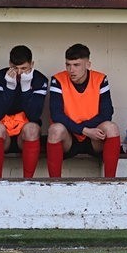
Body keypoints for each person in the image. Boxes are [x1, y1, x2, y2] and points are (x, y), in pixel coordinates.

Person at [47, 44, 120, 178]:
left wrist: (88, 130)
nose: (71, 69)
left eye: (76, 65)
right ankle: (54, 184)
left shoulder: (100, 79)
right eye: (68, 65)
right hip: (70, 136)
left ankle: (110, 181)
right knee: (55, 129)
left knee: (111, 128)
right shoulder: (58, 79)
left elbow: (107, 113)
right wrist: (84, 130)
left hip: (94, 137)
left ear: (88, 64)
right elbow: (56, 115)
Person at [0, 45, 48, 178]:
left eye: (24, 68)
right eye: (15, 68)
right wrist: (9, 87)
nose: (19, 73)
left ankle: (27, 181)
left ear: (32, 64)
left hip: (25, 136)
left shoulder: (39, 79)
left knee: (32, 128)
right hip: (3, 135)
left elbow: (34, 115)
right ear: (10, 64)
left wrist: (26, 88)